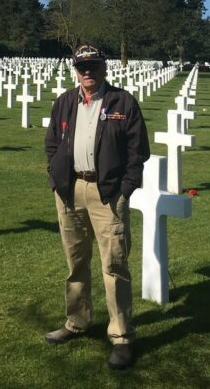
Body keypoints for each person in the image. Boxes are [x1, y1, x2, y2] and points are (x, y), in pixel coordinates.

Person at [44, 43, 150, 369]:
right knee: (75, 262)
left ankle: (121, 337)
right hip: (71, 190)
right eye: (81, 66)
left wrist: (125, 188)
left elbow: (138, 150)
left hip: (108, 194)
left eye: (92, 65)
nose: (87, 72)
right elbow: (51, 143)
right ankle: (77, 321)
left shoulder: (122, 102)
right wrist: (56, 178)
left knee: (114, 266)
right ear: (75, 69)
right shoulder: (64, 102)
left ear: (104, 67)